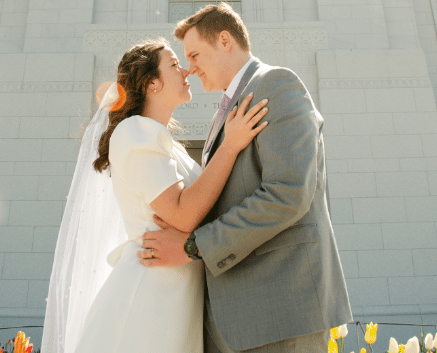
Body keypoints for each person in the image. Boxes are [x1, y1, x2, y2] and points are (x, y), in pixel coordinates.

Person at [139, 3, 353, 353]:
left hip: (280, 310)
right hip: (237, 314)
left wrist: (194, 246)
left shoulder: (277, 84)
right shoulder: (227, 109)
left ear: (225, 40)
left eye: (194, 55)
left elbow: (287, 194)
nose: (189, 69)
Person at [41, 38, 269, 353]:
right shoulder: (136, 132)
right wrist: (230, 146)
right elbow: (184, 213)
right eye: (174, 65)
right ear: (152, 84)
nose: (187, 70)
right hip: (149, 296)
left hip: (176, 292)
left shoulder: (165, 143)